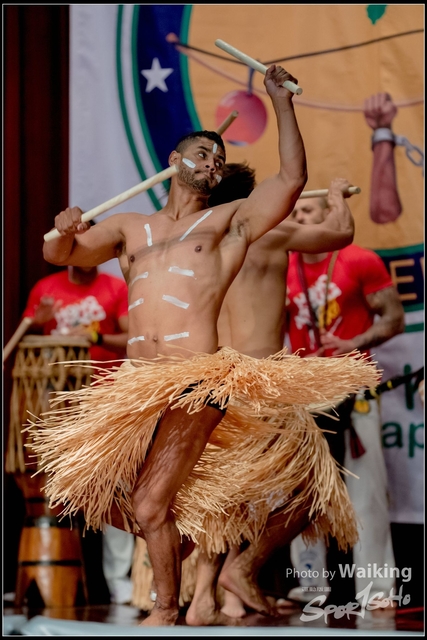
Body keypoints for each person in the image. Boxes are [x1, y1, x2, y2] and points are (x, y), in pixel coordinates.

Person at [26, 64, 378, 628]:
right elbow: (61, 256)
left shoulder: (228, 225)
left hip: (197, 381)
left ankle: (168, 609)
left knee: (149, 503)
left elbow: (289, 179)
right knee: (92, 493)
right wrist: (66, 228)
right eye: (200, 153)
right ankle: (181, 554)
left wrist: (280, 103)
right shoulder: (128, 228)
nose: (211, 163)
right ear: (173, 159)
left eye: (218, 158)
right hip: (137, 387)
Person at [181, 166, 357, 625]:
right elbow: (340, 234)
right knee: (316, 489)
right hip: (261, 379)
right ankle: (242, 568)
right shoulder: (270, 234)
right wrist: (338, 195)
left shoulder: (195, 242)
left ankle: (202, 600)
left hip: (213, 378)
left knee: (225, 497)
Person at [285, 189, 405, 608]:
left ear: (330, 215)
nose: (299, 217)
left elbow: (394, 317)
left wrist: (354, 341)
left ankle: (377, 590)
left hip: (354, 388)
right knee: (302, 491)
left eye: (307, 210)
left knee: (366, 491)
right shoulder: (282, 263)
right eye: (294, 211)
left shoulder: (359, 258)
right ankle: (310, 585)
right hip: (305, 391)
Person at [16, 263, 135, 606]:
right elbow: (21, 345)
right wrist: (36, 321)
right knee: (54, 497)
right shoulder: (45, 287)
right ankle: (56, 582)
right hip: (55, 403)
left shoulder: (115, 287)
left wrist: (95, 337)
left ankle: (118, 582)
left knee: (115, 487)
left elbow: (132, 338)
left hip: (105, 397)